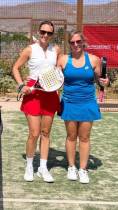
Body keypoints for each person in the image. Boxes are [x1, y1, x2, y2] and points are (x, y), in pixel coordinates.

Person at [12, 20, 61, 183]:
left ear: (53, 35)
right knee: (34, 133)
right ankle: (29, 166)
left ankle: (43, 168)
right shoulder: (30, 49)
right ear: (39, 32)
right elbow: (15, 68)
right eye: (43, 32)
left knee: (46, 133)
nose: (45, 35)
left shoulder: (57, 50)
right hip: (33, 94)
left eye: (49, 33)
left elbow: (59, 69)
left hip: (50, 93)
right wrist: (21, 86)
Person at [57, 31, 108, 184]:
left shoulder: (93, 60)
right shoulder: (63, 60)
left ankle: (83, 169)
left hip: (87, 103)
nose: (75, 45)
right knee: (71, 136)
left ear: (83, 42)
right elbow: (55, 80)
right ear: (69, 44)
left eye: (78, 41)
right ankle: (72, 167)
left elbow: (101, 79)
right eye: (72, 42)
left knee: (84, 138)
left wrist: (105, 82)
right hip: (69, 102)